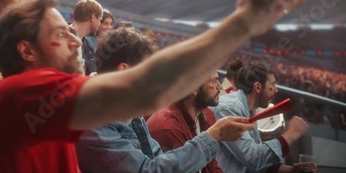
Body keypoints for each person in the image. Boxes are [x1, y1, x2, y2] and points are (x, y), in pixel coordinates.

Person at [0, 0, 310, 173]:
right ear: (27, 51)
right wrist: (241, 24)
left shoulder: (52, 109)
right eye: (61, 33)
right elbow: (145, 90)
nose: (75, 38)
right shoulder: (17, 94)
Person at [76, 29, 249, 173]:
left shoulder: (129, 109)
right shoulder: (92, 122)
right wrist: (213, 136)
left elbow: (157, 158)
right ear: (124, 71)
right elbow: (149, 170)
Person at [211, 61, 312, 172]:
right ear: (258, 87)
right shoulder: (230, 108)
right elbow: (252, 158)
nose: (276, 90)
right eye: (272, 84)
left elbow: (255, 161)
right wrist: (291, 134)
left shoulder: (249, 109)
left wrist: (289, 170)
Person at [146, 72, 224, 173]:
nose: (220, 86)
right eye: (214, 81)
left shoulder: (207, 114)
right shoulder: (167, 127)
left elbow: (212, 166)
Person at [70, 0, 103, 74]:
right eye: (100, 20)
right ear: (93, 18)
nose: (99, 24)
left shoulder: (85, 43)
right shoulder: (64, 40)